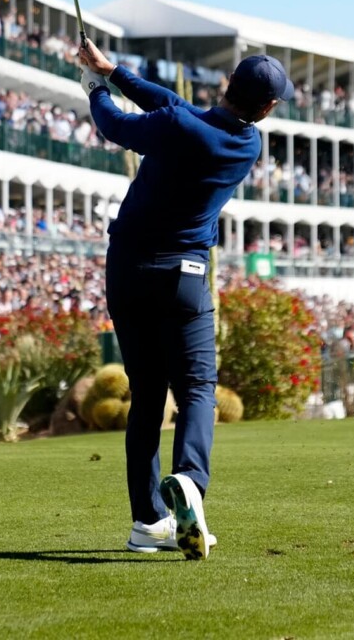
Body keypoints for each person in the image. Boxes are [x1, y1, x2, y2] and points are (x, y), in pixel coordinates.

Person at [79, 36, 291, 560]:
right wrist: (112, 73)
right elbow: (175, 109)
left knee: (147, 394)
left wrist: (95, 89)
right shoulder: (246, 145)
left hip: (126, 269)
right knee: (196, 387)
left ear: (227, 86)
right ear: (264, 107)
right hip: (184, 276)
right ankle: (191, 481)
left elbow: (118, 126)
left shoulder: (179, 126)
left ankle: (147, 521)